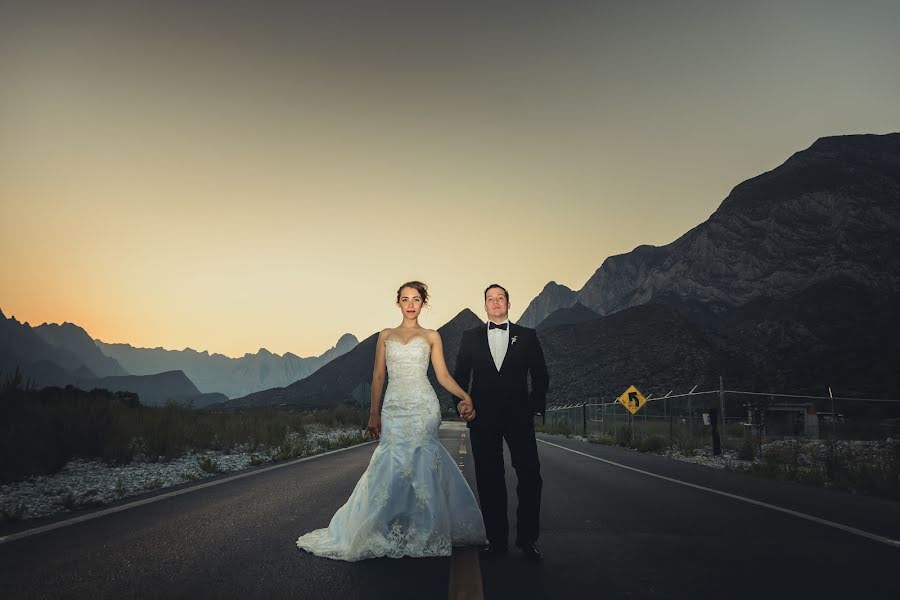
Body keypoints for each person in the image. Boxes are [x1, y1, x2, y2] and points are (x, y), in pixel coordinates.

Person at [296, 281, 486, 561]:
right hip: (394, 407)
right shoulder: (385, 335)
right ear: (397, 302)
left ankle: (427, 529)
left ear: (424, 303)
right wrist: (374, 413)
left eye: (416, 299)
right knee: (390, 464)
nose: (410, 304)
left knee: (423, 461)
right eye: (405, 299)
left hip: (423, 406)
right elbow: (378, 377)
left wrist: (465, 395)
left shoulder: (432, 336)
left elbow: (442, 375)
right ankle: (380, 528)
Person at [453, 284, 549, 561]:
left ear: (508, 303)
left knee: (531, 476)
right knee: (489, 479)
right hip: (481, 418)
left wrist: (532, 406)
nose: (495, 303)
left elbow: (541, 376)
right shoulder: (470, 337)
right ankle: (496, 541)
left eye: (500, 298)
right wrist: (461, 403)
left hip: (519, 418)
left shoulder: (527, 336)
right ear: (484, 306)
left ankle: (528, 540)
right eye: (490, 299)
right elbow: (460, 376)